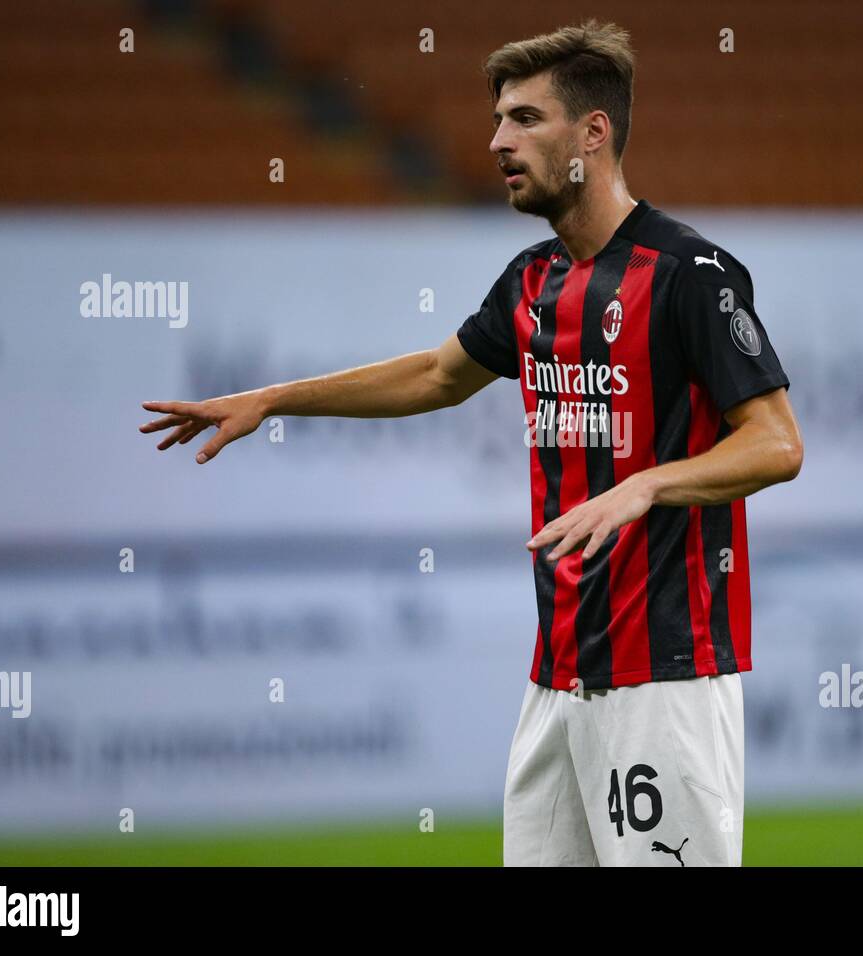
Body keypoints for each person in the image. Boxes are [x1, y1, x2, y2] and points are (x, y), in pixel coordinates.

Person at [140, 19, 803, 866]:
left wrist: (646, 485)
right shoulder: (533, 280)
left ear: (592, 134)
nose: (498, 141)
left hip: (665, 678)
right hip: (557, 678)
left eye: (525, 118)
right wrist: (274, 399)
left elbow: (777, 444)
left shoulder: (689, 276)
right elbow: (434, 375)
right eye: (498, 120)